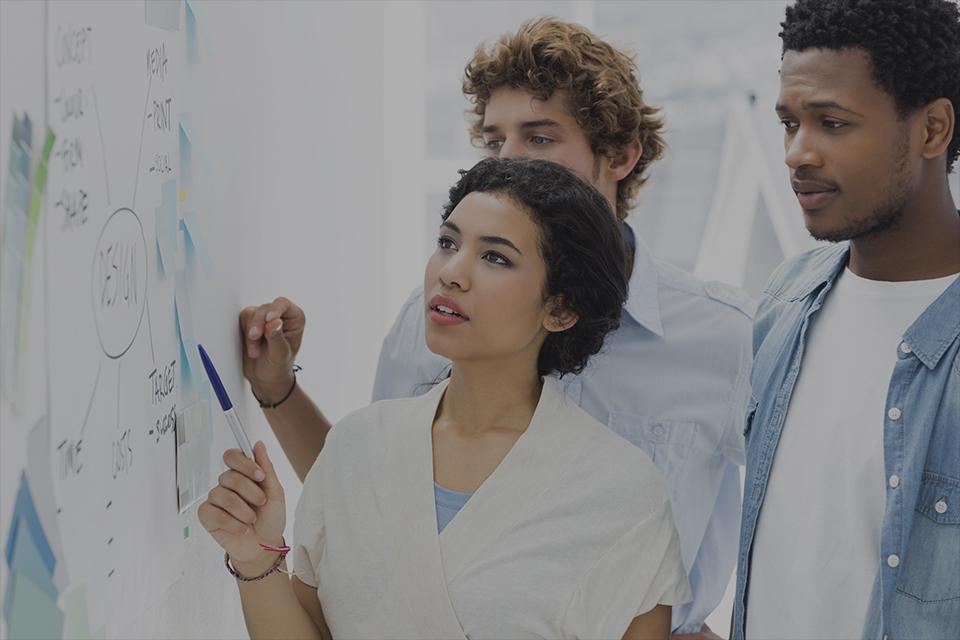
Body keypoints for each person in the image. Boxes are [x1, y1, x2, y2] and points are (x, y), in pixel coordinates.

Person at [241, 18, 754, 637]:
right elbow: (369, 496)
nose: (510, 161)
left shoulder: (724, 339)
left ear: (620, 155)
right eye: (494, 141)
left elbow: (803, 523)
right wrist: (280, 392)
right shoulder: (431, 318)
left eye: (538, 139)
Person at [200, 157, 692, 639]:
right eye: (447, 242)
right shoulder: (358, 446)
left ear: (560, 310)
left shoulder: (621, 491)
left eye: (495, 256)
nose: (451, 272)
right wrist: (255, 557)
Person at [732, 1, 960, 638]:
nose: (797, 154)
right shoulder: (783, 300)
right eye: (788, 124)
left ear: (933, 130)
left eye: (832, 123)